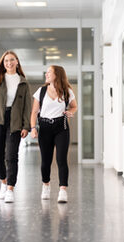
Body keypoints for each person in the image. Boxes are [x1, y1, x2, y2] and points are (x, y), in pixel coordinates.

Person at [0, 50, 31, 203]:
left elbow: (27, 106)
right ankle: (3, 182)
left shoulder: (23, 82)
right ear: (3, 64)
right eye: (6, 61)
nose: (9, 63)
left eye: (11, 60)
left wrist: (26, 126)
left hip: (14, 121)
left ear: (17, 62)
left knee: (11, 156)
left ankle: (10, 188)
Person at [30, 65, 78, 203]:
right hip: (44, 127)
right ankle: (46, 185)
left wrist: (71, 112)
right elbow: (34, 112)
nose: (46, 74)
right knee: (46, 161)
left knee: (61, 159)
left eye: (49, 72)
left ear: (57, 74)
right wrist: (33, 128)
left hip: (61, 127)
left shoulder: (67, 91)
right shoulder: (41, 91)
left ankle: (63, 190)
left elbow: (74, 106)